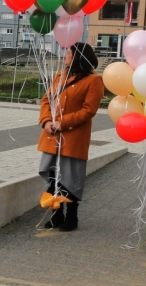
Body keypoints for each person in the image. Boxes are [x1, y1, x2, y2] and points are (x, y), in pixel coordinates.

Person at [36, 43, 103, 231]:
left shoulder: (94, 81)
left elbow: (89, 110)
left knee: (70, 179)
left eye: (69, 52)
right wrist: (46, 121)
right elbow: (46, 101)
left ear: (78, 56)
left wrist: (63, 123)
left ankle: (72, 217)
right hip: (52, 136)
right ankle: (56, 215)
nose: (65, 55)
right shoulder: (60, 75)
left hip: (73, 138)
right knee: (53, 177)